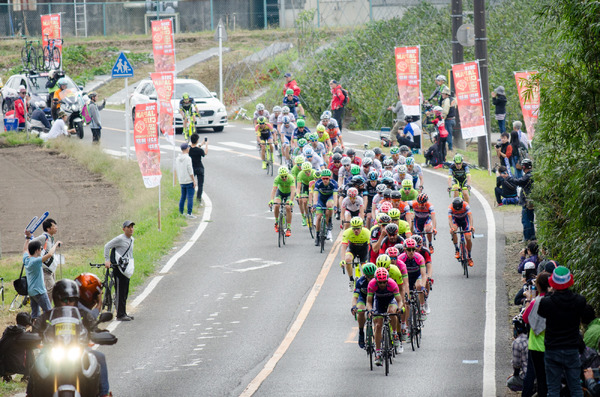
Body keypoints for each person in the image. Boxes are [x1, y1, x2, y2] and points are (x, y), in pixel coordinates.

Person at [31, 279, 114, 397]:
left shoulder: (83, 315)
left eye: (72, 299)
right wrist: (31, 337)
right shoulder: (47, 315)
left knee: (100, 357)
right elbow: (36, 330)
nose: (68, 302)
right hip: (52, 351)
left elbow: (94, 328)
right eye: (64, 299)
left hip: (79, 349)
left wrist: (100, 334)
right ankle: (30, 394)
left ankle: (103, 394)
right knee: (37, 362)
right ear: (56, 299)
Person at [538, 266, 587, 397]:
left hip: (552, 348)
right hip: (571, 348)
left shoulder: (547, 302)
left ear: (552, 282)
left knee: (553, 389)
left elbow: (541, 313)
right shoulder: (580, 301)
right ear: (569, 281)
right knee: (576, 387)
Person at [75, 273, 112, 397]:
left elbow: (91, 322)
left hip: (76, 348)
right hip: (61, 347)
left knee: (99, 356)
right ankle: (104, 394)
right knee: (100, 357)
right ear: (88, 294)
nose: (67, 301)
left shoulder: (66, 307)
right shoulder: (62, 310)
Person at [366, 267, 403, 366]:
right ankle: (378, 353)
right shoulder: (372, 284)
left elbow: (399, 300)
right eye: (380, 282)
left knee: (392, 312)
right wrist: (370, 310)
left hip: (391, 300)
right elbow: (369, 302)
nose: (382, 284)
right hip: (378, 302)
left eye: (384, 282)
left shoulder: (392, 284)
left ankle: (395, 334)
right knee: (378, 325)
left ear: (387, 280)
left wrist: (399, 309)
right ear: (376, 281)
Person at [522, 272, 550, 397]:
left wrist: (529, 299)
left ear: (538, 286)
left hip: (536, 346)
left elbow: (525, 318)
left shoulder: (536, 302)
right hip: (551, 344)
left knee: (540, 378)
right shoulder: (553, 301)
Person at [22, 230, 61, 319]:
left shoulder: (26, 259)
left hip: (31, 291)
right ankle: (48, 330)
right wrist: (56, 244)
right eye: (40, 248)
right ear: (37, 250)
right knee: (48, 312)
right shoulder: (35, 261)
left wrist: (28, 238)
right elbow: (50, 254)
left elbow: (25, 249)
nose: (41, 250)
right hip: (39, 291)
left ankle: (35, 329)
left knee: (35, 314)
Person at [104, 220, 136, 321]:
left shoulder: (132, 240)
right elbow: (107, 246)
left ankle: (124, 312)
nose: (131, 229)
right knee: (120, 291)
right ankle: (120, 315)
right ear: (123, 229)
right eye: (128, 227)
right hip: (119, 268)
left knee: (125, 292)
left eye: (132, 227)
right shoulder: (120, 239)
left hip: (126, 268)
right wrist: (107, 260)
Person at [504, 158, 535, 241]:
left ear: (524, 167)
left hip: (527, 202)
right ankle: (532, 236)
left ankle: (527, 237)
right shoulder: (532, 174)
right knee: (530, 219)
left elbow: (518, 181)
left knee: (526, 220)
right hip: (530, 201)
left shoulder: (528, 176)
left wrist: (508, 178)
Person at [351, 263, 377, 349]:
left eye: (372, 276)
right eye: (369, 277)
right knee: (361, 311)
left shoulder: (378, 281)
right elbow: (355, 297)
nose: (371, 279)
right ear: (365, 275)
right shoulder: (360, 281)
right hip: (363, 298)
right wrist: (354, 307)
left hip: (374, 299)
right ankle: (361, 331)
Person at [340, 217, 370, 290]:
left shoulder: (367, 232)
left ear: (362, 227)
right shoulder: (347, 232)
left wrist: (369, 260)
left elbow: (370, 248)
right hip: (352, 248)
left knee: (365, 269)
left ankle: (365, 283)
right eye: (354, 228)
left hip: (364, 250)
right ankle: (351, 280)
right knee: (347, 259)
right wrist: (343, 260)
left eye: (358, 228)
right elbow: (343, 247)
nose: (356, 231)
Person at [31, 218, 59, 299]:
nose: (56, 227)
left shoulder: (50, 238)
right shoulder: (44, 237)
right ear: (48, 228)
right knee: (51, 289)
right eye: (54, 226)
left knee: (50, 291)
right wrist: (37, 256)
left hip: (51, 269)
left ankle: (48, 309)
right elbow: (31, 243)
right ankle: (47, 309)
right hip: (45, 270)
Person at [269, 166, 296, 237]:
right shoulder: (277, 179)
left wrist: (291, 201)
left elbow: (293, 190)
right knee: (277, 205)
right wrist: (271, 200)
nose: (284, 178)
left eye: (285, 176)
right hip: (280, 192)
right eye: (282, 177)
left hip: (289, 194)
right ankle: (277, 222)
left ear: (287, 174)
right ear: (279, 176)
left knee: (287, 207)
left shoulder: (291, 178)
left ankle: (289, 228)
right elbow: (274, 190)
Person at [312, 169, 338, 244]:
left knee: (329, 205)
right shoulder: (318, 183)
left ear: (330, 178)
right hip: (321, 198)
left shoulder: (334, 183)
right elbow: (315, 195)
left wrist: (335, 206)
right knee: (319, 216)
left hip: (330, 197)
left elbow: (335, 196)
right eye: (324, 178)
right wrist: (314, 205)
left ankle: (329, 221)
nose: (325, 180)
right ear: (321, 178)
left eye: (327, 178)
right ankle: (317, 236)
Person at [448, 197, 474, 267]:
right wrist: (452, 228)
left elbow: (470, 216)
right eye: (456, 209)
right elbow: (450, 219)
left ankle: (469, 256)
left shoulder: (466, 205)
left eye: (459, 209)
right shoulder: (450, 207)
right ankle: (457, 249)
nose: (458, 210)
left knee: (468, 238)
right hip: (455, 221)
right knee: (453, 230)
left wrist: (471, 226)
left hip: (465, 221)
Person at [176, 143, 197, 219]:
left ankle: (181, 212)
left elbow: (177, 170)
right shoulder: (188, 158)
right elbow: (190, 170)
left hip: (181, 180)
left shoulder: (178, 158)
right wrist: (193, 180)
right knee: (190, 197)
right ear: (187, 149)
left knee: (183, 197)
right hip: (188, 180)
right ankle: (189, 213)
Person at [189, 134, 208, 204]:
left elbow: (194, 147)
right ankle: (198, 199)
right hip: (200, 167)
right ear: (197, 141)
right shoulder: (199, 150)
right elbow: (205, 153)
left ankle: (189, 198)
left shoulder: (189, 149)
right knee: (200, 184)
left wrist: (201, 144)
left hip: (192, 168)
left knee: (191, 183)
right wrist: (206, 145)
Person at [441, 86, 457, 151]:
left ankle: (450, 148)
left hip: (448, 120)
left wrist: (443, 118)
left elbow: (445, 111)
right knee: (450, 133)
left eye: (443, 94)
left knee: (448, 134)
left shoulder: (447, 100)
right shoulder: (453, 100)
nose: (442, 95)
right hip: (453, 119)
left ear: (447, 94)